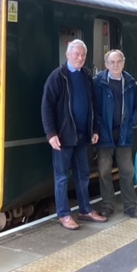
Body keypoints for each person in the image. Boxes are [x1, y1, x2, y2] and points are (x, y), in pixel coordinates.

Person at [41, 39, 107, 230]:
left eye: (83, 55)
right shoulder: (57, 77)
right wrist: (51, 134)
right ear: (68, 55)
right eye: (76, 54)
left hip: (83, 135)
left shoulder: (86, 76)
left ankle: (85, 210)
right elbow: (46, 107)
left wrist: (94, 129)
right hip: (62, 136)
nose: (80, 58)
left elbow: (93, 105)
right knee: (61, 177)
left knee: (83, 175)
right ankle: (64, 214)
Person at [94, 49, 137, 218]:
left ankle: (130, 206)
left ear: (124, 62)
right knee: (104, 171)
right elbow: (94, 107)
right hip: (104, 133)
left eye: (118, 61)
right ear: (106, 64)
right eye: (112, 62)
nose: (115, 65)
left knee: (127, 171)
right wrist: (97, 126)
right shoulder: (97, 82)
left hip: (124, 133)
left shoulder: (130, 82)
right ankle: (108, 205)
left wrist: (132, 120)